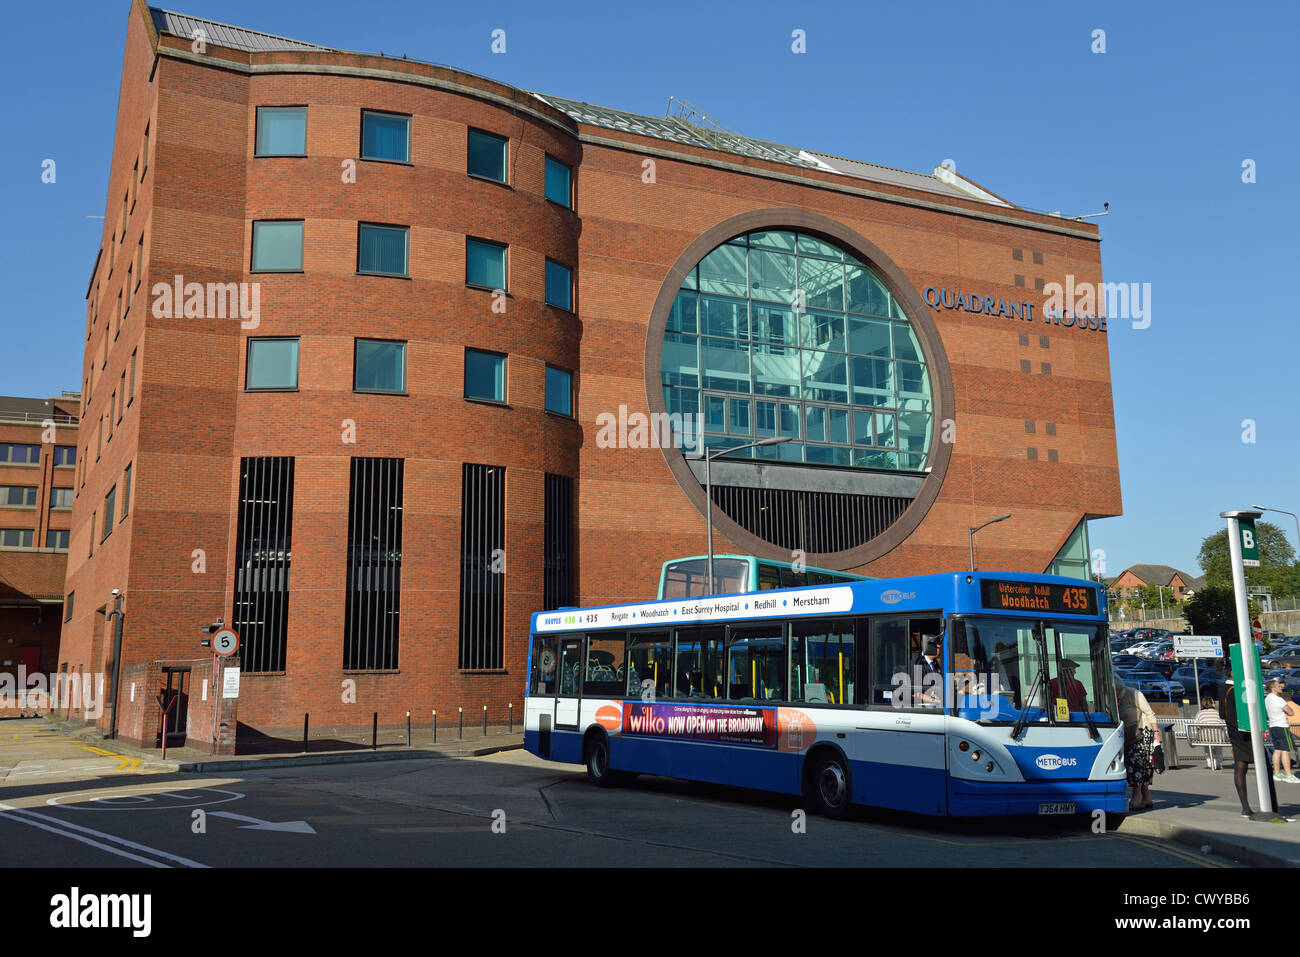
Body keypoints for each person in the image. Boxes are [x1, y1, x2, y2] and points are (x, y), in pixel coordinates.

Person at [1116, 676, 1159, 811]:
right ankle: (1147, 798)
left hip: (1142, 733)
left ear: (1118, 688)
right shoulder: (1114, 698)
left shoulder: (1134, 694)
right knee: (1141, 767)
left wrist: (1156, 732)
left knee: (1136, 766)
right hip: (1128, 736)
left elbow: (1150, 713)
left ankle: (1136, 797)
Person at [1265, 678, 1300, 784]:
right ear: (1274, 688)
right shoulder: (1279, 699)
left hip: (1273, 725)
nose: (1281, 687)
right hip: (1282, 725)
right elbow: (1290, 712)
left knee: (1278, 749)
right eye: (1279, 686)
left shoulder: (1267, 698)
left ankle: (1277, 773)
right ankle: (1288, 775)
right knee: (1286, 750)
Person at [1193, 695, 1227, 770]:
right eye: (1214, 702)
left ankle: (1211, 763)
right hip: (1218, 737)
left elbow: (1197, 726)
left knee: (1207, 749)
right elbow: (1223, 725)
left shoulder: (1200, 713)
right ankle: (1218, 763)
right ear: (1211, 704)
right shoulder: (1217, 713)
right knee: (1219, 749)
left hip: (1205, 737)